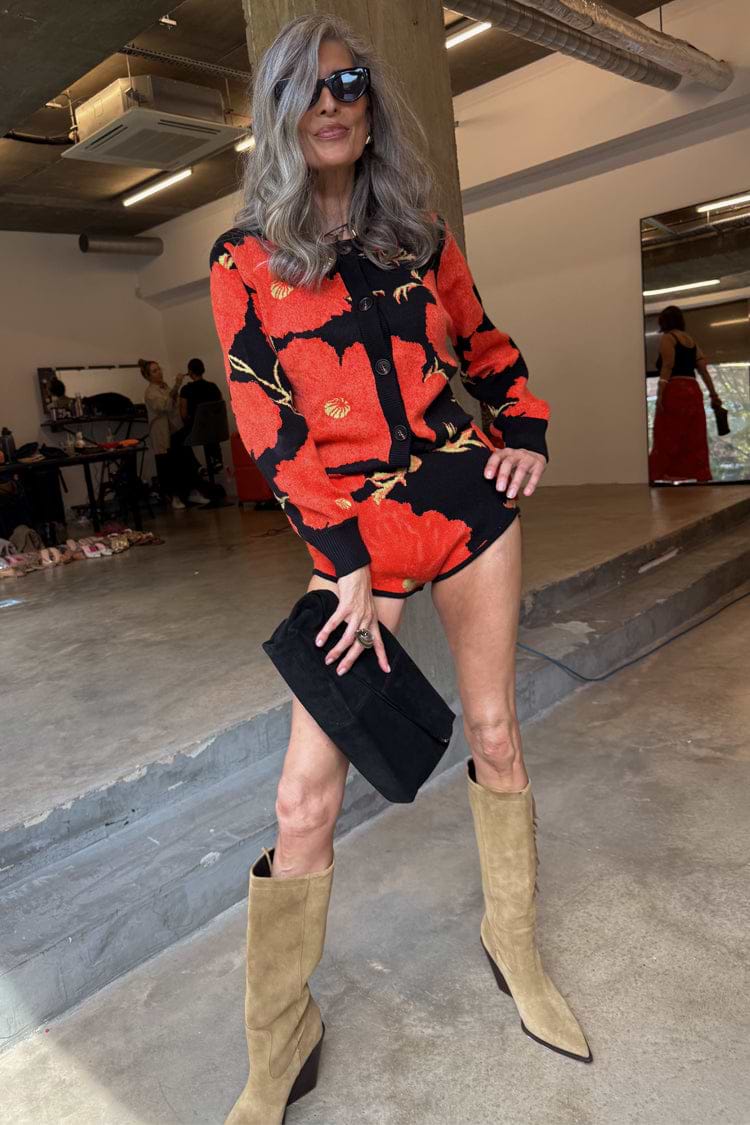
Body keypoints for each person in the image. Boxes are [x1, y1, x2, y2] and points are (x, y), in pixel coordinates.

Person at [208, 15, 589, 1125]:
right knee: (301, 800)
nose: (332, 103)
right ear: (280, 112)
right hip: (352, 540)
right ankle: (280, 1041)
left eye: (350, 84)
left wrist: (524, 431)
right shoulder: (244, 262)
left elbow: (488, 348)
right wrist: (341, 564)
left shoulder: (419, 236)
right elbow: (268, 427)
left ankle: (513, 944)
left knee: (497, 732)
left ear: (370, 108)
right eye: (309, 88)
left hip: (461, 504)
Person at [648, 305, 723, 482]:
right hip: (693, 390)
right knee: (694, 434)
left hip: (675, 388)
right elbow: (703, 370)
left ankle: (658, 473)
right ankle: (699, 474)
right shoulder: (691, 341)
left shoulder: (668, 338)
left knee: (666, 432)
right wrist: (713, 394)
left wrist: (660, 392)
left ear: (664, 321)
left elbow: (668, 365)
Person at [139, 358, 187, 509]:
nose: (159, 372)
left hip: (174, 429)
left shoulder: (164, 387)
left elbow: (174, 404)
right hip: (162, 433)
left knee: (180, 461)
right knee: (167, 465)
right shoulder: (150, 393)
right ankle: (173, 497)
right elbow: (165, 406)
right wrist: (177, 386)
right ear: (148, 376)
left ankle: (187, 492)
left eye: (159, 369)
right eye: (154, 371)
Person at [178, 358, 224, 474]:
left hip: (196, 431)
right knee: (209, 428)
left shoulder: (186, 390)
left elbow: (183, 414)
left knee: (178, 437)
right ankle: (216, 459)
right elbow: (220, 408)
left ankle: (197, 466)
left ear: (190, 372)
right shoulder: (213, 387)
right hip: (215, 430)